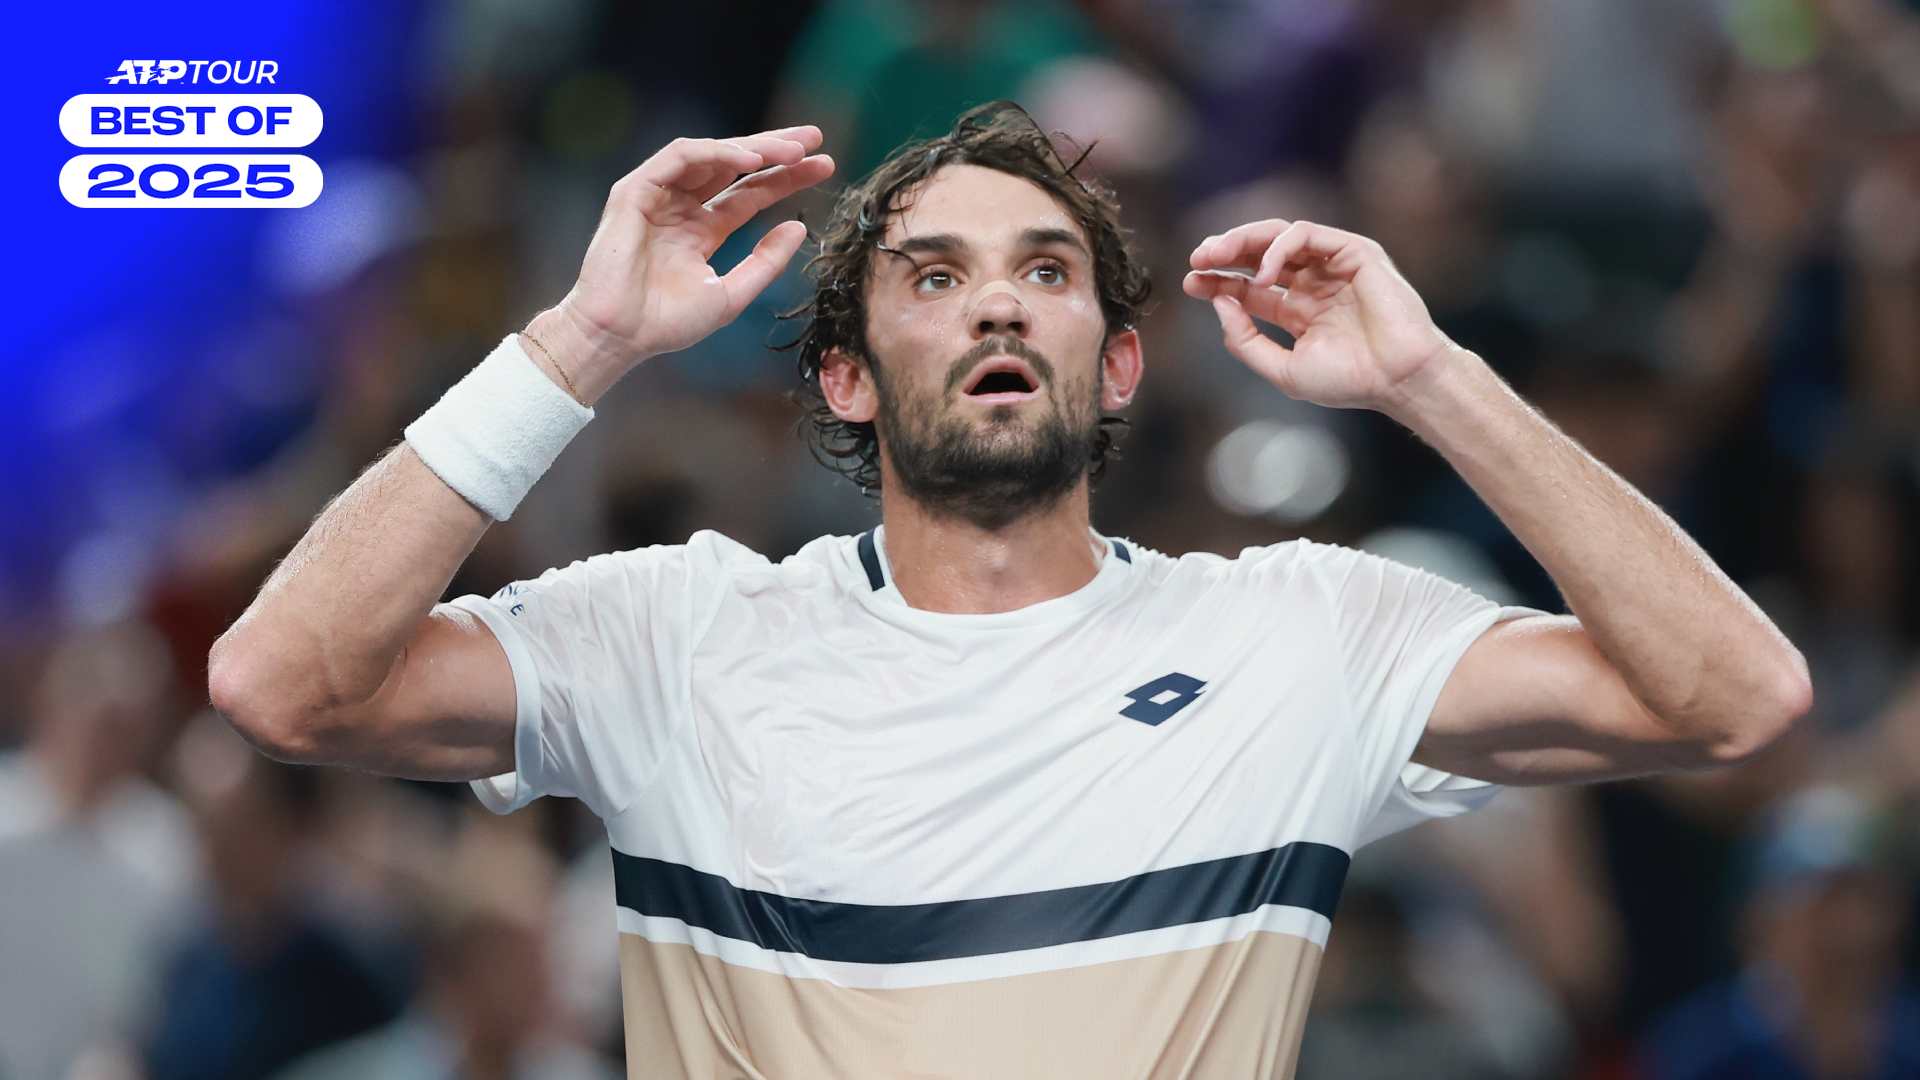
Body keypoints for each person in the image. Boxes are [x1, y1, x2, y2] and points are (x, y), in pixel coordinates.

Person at [209, 102, 1812, 1078]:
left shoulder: (1301, 633)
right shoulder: (673, 633)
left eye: (1046, 271)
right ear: (845, 377)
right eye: (933, 275)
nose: (998, 305)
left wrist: (1434, 380)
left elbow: (1732, 696)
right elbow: (284, 682)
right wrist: (583, 343)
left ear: (1116, 365)